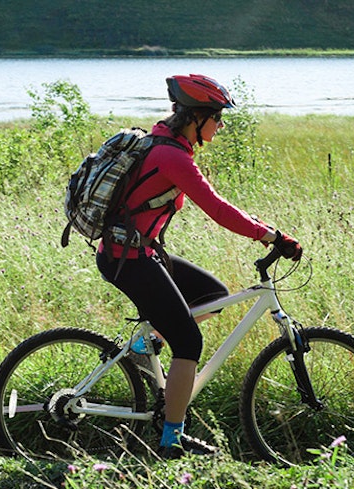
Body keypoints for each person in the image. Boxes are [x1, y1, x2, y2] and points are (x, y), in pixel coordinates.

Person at [96, 74, 302, 458]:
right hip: (130, 259)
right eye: (217, 118)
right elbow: (219, 210)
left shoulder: (163, 141)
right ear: (196, 118)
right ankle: (172, 440)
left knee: (213, 295)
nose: (220, 126)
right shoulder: (172, 156)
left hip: (137, 252)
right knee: (189, 342)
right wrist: (271, 236)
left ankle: (147, 343)